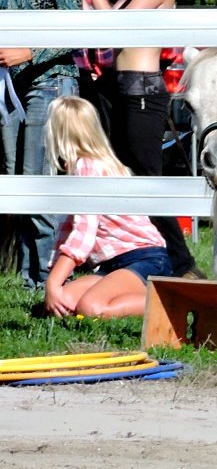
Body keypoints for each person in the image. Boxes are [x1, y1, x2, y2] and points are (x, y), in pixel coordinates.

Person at [75, 0, 204, 279]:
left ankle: (182, 265)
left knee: (147, 179)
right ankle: (155, 258)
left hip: (142, 91)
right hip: (129, 88)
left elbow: (115, 27)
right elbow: (110, 20)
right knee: (133, 176)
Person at [0, 0, 81, 290]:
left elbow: (75, 32)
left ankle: (45, 280)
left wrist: (27, 51)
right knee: (16, 179)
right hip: (12, 88)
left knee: (39, 180)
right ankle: (30, 274)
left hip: (50, 84)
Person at [44, 96, 172, 318]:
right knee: (63, 303)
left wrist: (53, 282)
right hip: (113, 264)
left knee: (90, 308)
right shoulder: (83, 167)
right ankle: (132, 299)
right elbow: (67, 229)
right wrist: (56, 282)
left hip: (145, 259)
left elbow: (83, 232)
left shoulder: (87, 166)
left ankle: (171, 304)